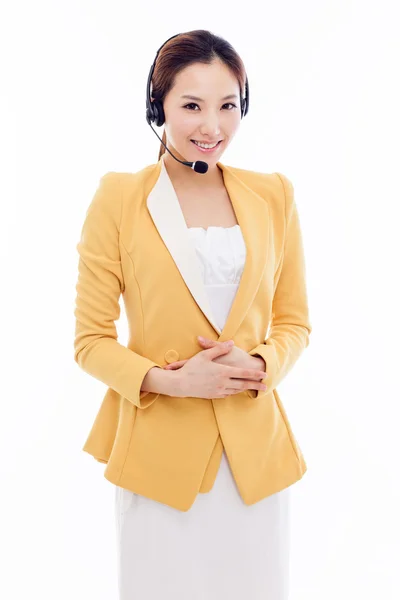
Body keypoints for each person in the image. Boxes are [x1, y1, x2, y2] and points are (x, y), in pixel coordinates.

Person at [73, 29, 312, 600]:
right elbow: (90, 341)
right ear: (159, 108)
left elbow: (295, 321)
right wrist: (173, 381)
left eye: (229, 106)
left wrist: (260, 363)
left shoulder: (274, 194)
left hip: (255, 461)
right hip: (159, 461)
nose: (213, 127)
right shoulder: (120, 197)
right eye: (192, 106)